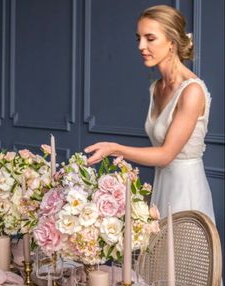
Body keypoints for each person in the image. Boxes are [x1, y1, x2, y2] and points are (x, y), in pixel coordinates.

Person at [84, 4, 216, 223]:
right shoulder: (156, 87)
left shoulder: (192, 91)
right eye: (139, 38)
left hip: (186, 192)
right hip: (163, 185)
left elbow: (165, 155)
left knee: (180, 255)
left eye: (150, 38)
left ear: (172, 42)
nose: (141, 46)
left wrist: (114, 148)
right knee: (158, 255)